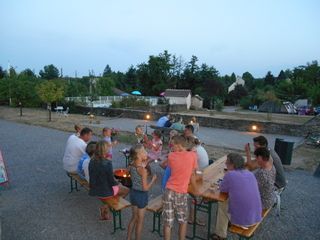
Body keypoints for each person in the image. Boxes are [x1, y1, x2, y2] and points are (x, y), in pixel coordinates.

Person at [211, 153, 262, 240]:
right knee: (230, 202)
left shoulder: (230, 175)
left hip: (245, 221)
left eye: (227, 163)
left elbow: (222, 189)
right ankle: (227, 225)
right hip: (256, 215)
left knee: (222, 204)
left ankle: (220, 235)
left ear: (232, 165)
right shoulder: (249, 174)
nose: (226, 164)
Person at [163, 135, 199, 240]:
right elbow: (193, 175)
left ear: (179, 145)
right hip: (181, 193)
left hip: (168, 191)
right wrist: (196, 190)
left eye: (172, 144)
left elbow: (168, 166)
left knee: (168, 223)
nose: (171, 146)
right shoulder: (193, 155)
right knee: (183, 221)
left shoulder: (171, 156)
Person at [89, 141, 129, 220]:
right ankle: (107, 206)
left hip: (95, 189)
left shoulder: (92, 161)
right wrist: (118, 182)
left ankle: (107, 206)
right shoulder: (107, 163)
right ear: (105, 150)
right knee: (126, 190)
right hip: (105, 192)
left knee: (119, 188)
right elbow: (112, 182)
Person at [127, 144, 157, 240]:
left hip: (133, 194)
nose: (146, 153)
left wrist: (144, 163)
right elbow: (145, 188)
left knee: (134, 218)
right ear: (139, 155)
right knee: (140, 221)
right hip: (141, 196)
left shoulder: (131, 164)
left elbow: (137, 167)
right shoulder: (143, 171)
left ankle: (128, 238)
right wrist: (153, 180)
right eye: (144, 151)